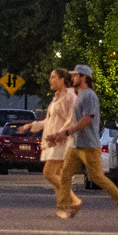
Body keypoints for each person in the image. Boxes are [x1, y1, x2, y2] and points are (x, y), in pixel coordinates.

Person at [60, 64, 118, 217]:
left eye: (75, 75)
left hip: (89, 145)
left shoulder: (89, 95)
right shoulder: (81, 95)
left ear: (83, 77)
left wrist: (68, 132)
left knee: (97, 177)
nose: (72, 78)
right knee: (65, 174)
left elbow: (86, 120)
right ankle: (65, 207)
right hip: (77, 144)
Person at [37, 68, 80, 219]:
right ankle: (62, 209)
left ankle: (74, 200)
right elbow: (49, 120)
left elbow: (72, 118)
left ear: (62, 79)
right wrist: (32, 125)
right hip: (53, 140)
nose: (50, 80)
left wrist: (59, 133)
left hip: (61, 141)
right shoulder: (56, 97)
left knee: (49, 173)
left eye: (53, 77)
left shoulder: (70, 96)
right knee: (59, 174)